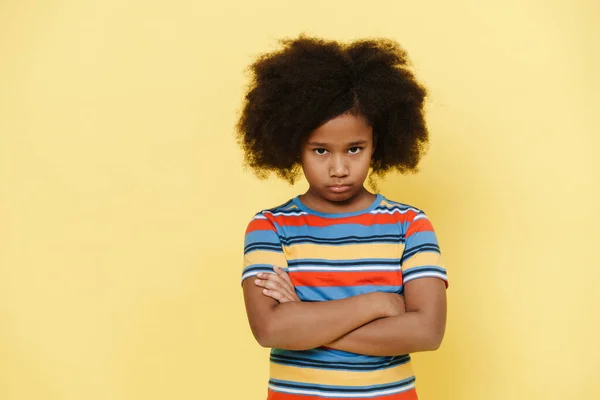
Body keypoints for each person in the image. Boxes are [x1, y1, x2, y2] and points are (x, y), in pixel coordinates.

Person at [237, 35, 448, 400]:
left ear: (376, 144)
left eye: (354, 149)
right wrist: (376, 305)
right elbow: (270, 329)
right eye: (320, 150)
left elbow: (427, 332)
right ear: (293, 146)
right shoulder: (269, 228)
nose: (339, 168)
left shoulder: (410, 225)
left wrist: (306, 320)